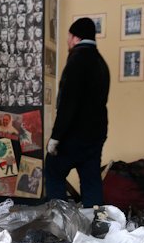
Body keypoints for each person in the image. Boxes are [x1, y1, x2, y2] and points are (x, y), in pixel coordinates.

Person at [45, 17, 109, 207]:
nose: (67, 40)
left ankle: (61, 222)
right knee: (91, 181)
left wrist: (56, 137)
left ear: (75, 37)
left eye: (68, 36)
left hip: (74, 135)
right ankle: (97, 224)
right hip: (95, 135)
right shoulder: (100, 62)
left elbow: (68, 103)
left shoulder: (76, 59)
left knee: (53, 171)